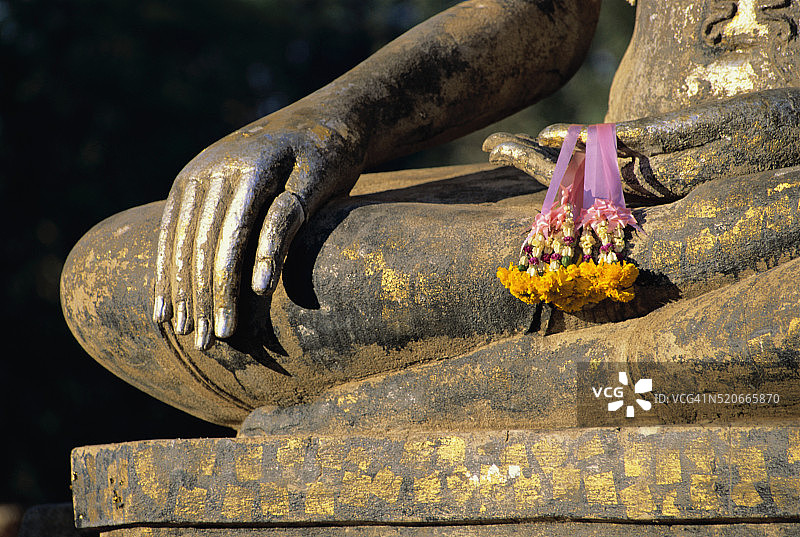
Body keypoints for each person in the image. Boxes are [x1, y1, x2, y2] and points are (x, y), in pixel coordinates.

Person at [61, 0, 800, 429]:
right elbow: (544, 13)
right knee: (122, 268)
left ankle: (630, 344)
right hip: (599, 190)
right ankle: (666, 342)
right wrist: (342, 116)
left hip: (780, 204)